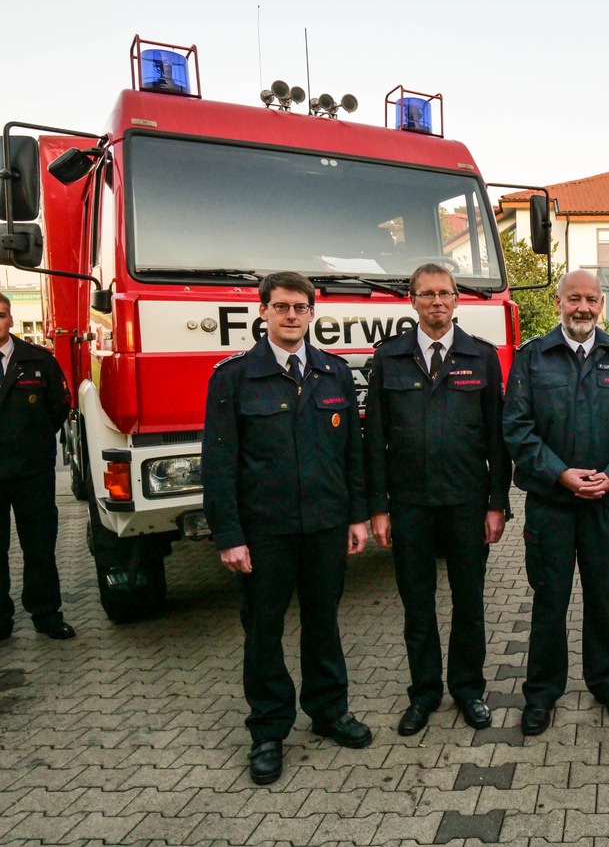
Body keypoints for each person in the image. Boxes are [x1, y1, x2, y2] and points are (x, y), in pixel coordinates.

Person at [202, 271, 373, 786]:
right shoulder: (233, 377)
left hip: (324, 525)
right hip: (264, 532)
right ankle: (269, 732)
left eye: (300, 307)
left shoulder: (334, 373)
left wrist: (357, 515)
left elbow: (354, 455)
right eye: (281, 307)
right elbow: (219, 463)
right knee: (264, 629)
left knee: (323, 622)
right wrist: (229, 535)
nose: (292, 315)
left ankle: (328, 711)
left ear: (312, 313)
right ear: (263, 313)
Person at [503, 270, 609, 735]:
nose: (583, 307)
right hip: (551, 503)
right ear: (559, 303)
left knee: (604, 595)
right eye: (574, 299)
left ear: (601, 304)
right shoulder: (532, 358)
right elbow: (516, 427)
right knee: (550, 597)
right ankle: (542, 693)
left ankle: (608, 683)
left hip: (606, 502)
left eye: (591, 299)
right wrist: (561, 474)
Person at [364, 264, 510, 736]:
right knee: (417, 604)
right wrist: (378, 507)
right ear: (412, 301)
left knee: (469, 603)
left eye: (444, 293)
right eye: (426, 294)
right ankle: (424, 693)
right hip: (409, 504)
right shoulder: (388, 359)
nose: (437, 301)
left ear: (456, 300)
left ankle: (469, 690)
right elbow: (375, 439)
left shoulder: (481, 357)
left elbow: (497, 438)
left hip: (467, 502)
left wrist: (497, 502)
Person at [0, 293, 74, 641]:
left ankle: (46, 614)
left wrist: (33, 440)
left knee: (40, 546)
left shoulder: (39, 360)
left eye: (0, 315)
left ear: (11, 320)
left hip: (32, 472)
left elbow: (58, 407)